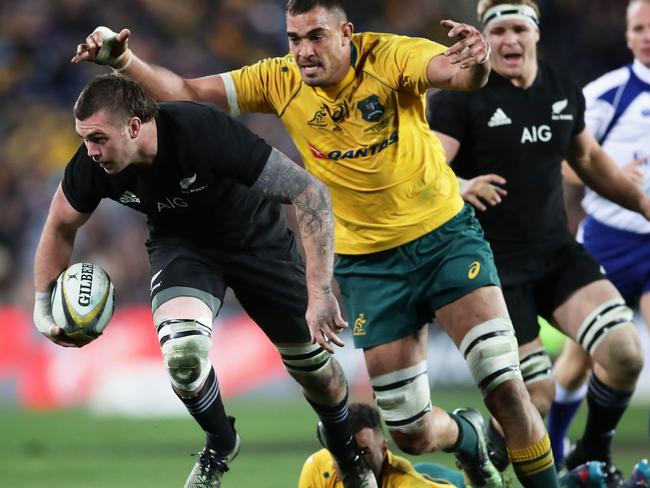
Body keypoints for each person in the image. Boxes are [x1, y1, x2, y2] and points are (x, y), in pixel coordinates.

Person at [71, 2, 562, 486]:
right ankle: (469, 436)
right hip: (369, 267)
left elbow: (455, 75)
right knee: (411, 433)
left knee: (503, 387)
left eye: (315, 36)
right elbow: (182, 90)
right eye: (293, 38)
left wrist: (476, 63)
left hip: (443, 238)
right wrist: (121, 61)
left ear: (346, 33)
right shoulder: (279, 79)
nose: (302, 50)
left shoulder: (390, 57)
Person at [32, 73, 378, 488]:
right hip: (183, 249)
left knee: (314, 371)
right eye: (85, 138)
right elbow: (59, 225)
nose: (90, 151)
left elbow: (310, 193)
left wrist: (320, 291)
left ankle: (343, 447)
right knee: (183, 357)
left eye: (99, 138)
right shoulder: (92, 166)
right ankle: (220, 443)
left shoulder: (202, 131)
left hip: (257, 243)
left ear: (134, 126)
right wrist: (42, 306)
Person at [427, 0, 648, 486]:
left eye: (518, 29)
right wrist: (459, 186)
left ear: (535, 33)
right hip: (493, 271)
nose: (508, 41)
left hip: (556, 255)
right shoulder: (461, 94)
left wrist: (643, 204)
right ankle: (485, 458)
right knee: (535, 400)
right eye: (498, 30)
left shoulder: (561, 87)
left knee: (625, 353)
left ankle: (593, 452)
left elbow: (588, 160)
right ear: (484, 36)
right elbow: (424, 168)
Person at [547, 0, 650, 465]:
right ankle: (554, 444)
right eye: (638, 27)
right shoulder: (607, 93)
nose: (646, 35)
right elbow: (564, 164)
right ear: (627, 36)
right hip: (608, 240)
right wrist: (611, 175)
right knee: (578, 360)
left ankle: (609, 453)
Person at [299, 403, 466, 487]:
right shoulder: (319, 468)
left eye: (364, 452)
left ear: (384, 449)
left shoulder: (409, 484)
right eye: (343, 453)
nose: (353, 462)